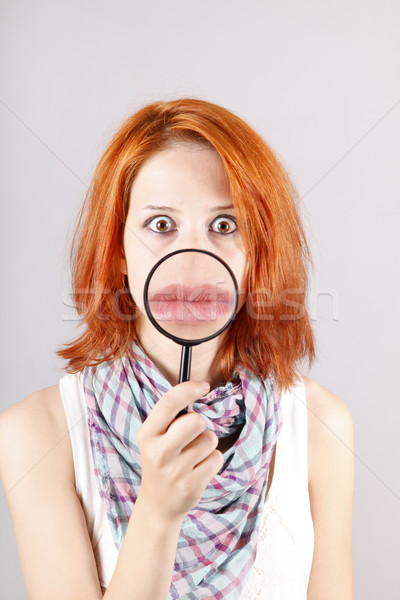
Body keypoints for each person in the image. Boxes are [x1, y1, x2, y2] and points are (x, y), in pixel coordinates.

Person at [0, 98, 354, 600]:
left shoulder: (319, 425)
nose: (194, 263)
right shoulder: (36, 434)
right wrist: (158, 513)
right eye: (161, 225)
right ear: (118, 250)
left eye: (225, 225)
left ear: (258, 257)